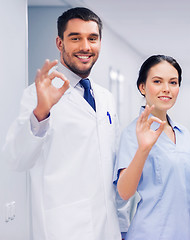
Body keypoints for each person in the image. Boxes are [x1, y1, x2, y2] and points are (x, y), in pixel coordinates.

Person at [3, 7, 121, 240]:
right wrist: (41, 113)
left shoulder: (106, 97)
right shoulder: (37, 96)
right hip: (63, 228)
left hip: (107, 226)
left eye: (92, 38)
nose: (85, 47)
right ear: (60, 43)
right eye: (75, 38)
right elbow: (16, 159)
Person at [114, 55, 190, 240]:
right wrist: (143, 148)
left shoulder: (184, 134)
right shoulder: (132, 133)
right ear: (142, 87)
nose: (166, 89)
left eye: (173, 82)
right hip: (150, 233)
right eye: (157, 81)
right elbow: (124, 192)